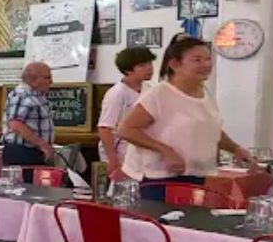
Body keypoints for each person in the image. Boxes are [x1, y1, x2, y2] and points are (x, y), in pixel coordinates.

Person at [117, 37, 256, 200]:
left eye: (208, 59)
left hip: (196, 174)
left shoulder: (204, 93)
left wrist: (235, 149)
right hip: (159, 178)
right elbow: (125, 129)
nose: (206, 65)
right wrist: (165, 150)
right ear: (175, 64)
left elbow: (210, 129)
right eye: (197, 60)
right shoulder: (159, 95)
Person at [97, 47, 155, 180]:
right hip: (119, 151)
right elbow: (104, 128)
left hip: (138, 151)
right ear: (128, 70)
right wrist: (112, 160)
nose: (149, 68)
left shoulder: (149, 89)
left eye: (150, 63)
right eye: (142, 65)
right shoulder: (117, 93)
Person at [1, 62, 55, 176]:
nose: (51, 81)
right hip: (22, 153)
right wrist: (43, 145)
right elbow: (16, 124)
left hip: (33, 151)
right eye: (47, 77)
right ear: (33, 79)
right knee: (25, 190)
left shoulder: (37, 95)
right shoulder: (22, 94)